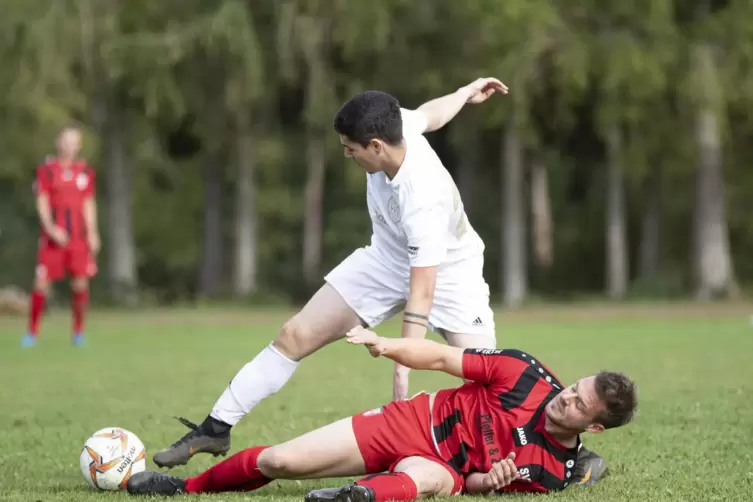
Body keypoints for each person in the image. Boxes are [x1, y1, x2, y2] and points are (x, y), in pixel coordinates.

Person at [152, 77, 510, 468]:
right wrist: (464, 93)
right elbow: (430, 115)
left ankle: (562, 454)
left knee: (491, 378)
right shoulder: (396, 128)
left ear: (376, 146)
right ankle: (215, 429)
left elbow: (421, 293)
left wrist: (402, 367)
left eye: (350, 149)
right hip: (385, 261)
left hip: (451, 277)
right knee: (294, 334)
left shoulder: (423, 199)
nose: (347, 155)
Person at [127, 327, 637, 499]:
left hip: (448, 469)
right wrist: (386, 345)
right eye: (572, 386)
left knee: (424, 481)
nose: (564, 396)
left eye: (577, 402)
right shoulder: (524, 372)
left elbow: (477, 487)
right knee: (280, 462)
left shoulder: (551, 472)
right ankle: (184, 489)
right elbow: (440, 357)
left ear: (593, 426)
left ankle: (352, 497)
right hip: (414, 421)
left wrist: (492, 479)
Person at [21, 126, 100, 348]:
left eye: (74, 142)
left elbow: (88, 203)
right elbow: (42, 199)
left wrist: (93, 233)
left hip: (78, 238)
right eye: (66, 141)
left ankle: (78, 333)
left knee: (80, 284)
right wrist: (50, 228)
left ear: (79, 146)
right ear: (58, 143)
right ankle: (32, 333)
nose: (69, 146)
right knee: (41, 284)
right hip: (53, 238)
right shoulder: (47, 170)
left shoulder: (85, 172)